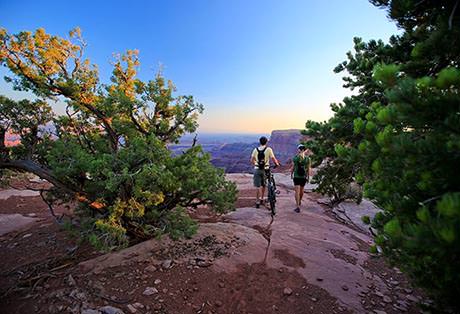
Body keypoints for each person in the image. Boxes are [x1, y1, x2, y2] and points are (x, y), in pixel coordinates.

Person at [250, 136, 280, 208]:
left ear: (260, 142)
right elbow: (273, 158)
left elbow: (251, 160)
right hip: (266, 169)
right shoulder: (268, 149)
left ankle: (257, 202)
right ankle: (262, 199)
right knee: (263, 185)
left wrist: (256, 164)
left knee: (258, 186)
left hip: (257, 169)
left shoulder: (255, 150)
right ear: (266, 142)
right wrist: (277, 164)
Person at [290, 144, 311, 213]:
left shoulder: (295, 158)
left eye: (298, 149)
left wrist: (291, 174)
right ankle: (300, 201)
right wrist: (308, 177)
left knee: (297, 192)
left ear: (301, 150)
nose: (297, 150)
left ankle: (297, 206)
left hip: (296, 176)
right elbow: (308, 169)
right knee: (302, 190)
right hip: (303, 177)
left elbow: (293, 167)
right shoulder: (308, 158)